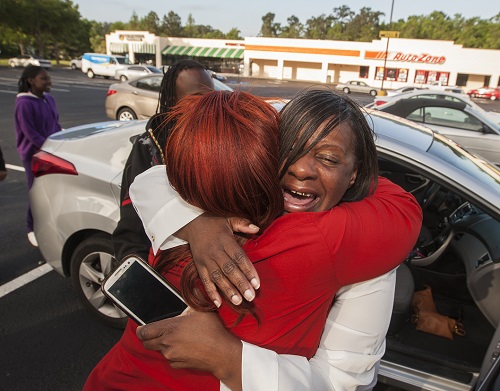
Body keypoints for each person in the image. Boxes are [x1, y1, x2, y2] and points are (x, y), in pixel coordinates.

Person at [84, 90, 422, 390]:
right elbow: (155, 179)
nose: (301, 169)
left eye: (329, 158)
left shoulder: (351, 244)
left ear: (355, 173)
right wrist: (198, 223)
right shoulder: (213, 198)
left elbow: (343, 380)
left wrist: (229, 357)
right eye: (287, 150)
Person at [112, 59, 214, 263]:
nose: (207, 105)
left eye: (211, 97)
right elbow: (132, 233)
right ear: (171, 103)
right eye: (196, 99)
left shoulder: (218, 139)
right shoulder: (149, 150)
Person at [14, 65, 61, 246]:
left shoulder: (49, 99)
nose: (49, 82)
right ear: (31, 81)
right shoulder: (24, 104)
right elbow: (30, 133)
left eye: (48, 78)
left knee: (54, 190)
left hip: (51, 152)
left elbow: (55, 124)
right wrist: (48, 148)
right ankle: (30, 227)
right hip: (34, 155)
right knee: (36, 191)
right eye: (44, 79)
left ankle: (50, 224)